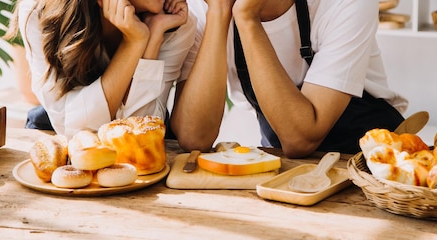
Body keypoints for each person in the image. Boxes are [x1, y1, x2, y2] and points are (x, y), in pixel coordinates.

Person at [170, 0, 408, 158]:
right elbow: (194, 137)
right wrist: (219, 13)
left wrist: (246, 18)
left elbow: (301, 139)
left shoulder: (345, 3)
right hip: (288, 166)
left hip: (376, 164)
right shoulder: (204, 8)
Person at [5, 0, 195, 138]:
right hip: (58, 136)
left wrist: (153, 38)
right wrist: (134, 43)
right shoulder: (38, 11)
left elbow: (140, 134)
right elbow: (75, 129)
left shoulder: (175, 23)